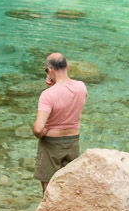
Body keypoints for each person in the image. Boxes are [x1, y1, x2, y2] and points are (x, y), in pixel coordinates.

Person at [32, 52, 88, 193]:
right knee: (70, 182)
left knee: (49, 185)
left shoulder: (48, 95)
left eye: (47, 70)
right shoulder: (81, 87)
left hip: (52, 143)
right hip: (73, 140)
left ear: (50, 70)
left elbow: (38, 130)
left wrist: (45, 131)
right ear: (67, 66)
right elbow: (67, 105)